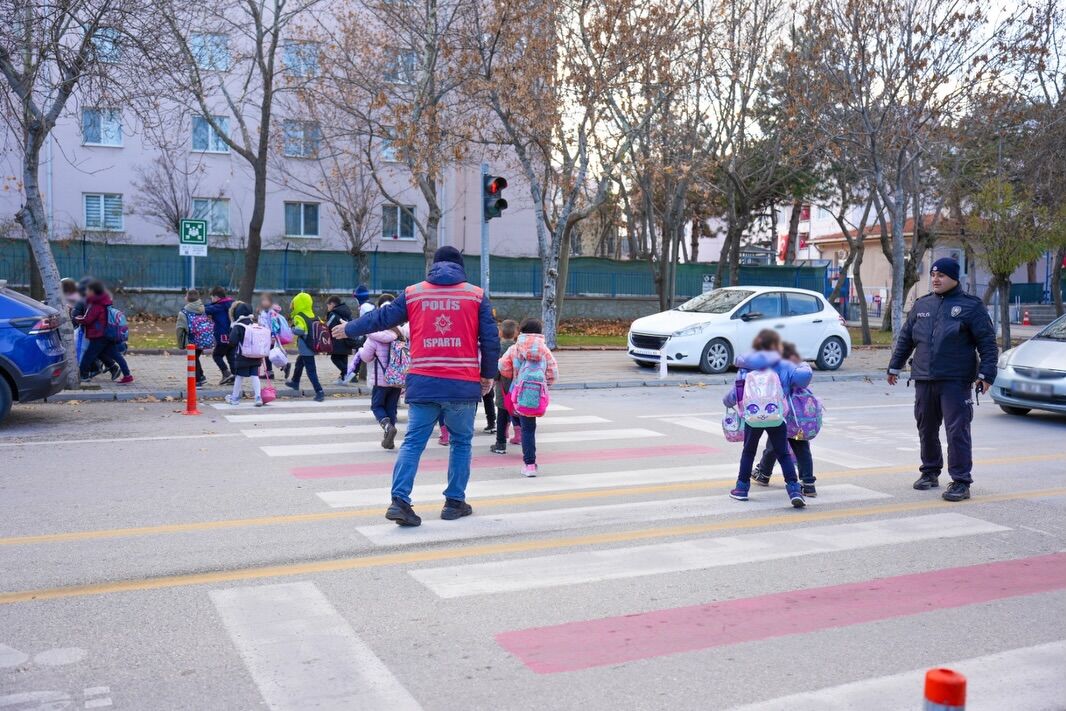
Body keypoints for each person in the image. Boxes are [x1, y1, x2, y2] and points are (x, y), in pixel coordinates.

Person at [334, 246, 500, 527]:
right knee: (460, 443)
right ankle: (454, 502)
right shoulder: (475, 295)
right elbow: (491, 340)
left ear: (434, 266)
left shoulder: (414, 293)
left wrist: (350, 328)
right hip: (461, 385)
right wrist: (487, 376)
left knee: (413, 443)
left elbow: (381, 318)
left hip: (423, 382)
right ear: (461, 267)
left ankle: (399, 502)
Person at [888, 257, 999, 502]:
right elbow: (906, 338)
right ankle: (929, 471)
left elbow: (988, 343)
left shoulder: (971, 306)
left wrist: (987, 374)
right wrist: (895, 366)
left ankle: (961, 481)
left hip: (955, 380)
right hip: (924, 377)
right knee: (926, 428)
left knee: (956, 430)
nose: (936, 279)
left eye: (941, 275)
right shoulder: (922, 305)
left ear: (954, 278)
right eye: (933, 275)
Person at [723, 329, 811, 508]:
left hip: (752, 417)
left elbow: (734, 394)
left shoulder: (745, 367)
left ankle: (741, 489)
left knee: (748, 452)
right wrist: (802, 364)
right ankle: (794, 489)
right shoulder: (786, 365)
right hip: (777, 416)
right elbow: (803, 378)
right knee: (783, 454)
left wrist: (726, 402)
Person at [750, 341, 817, 497]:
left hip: (780, 414)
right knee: (801, 448)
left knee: (774, 444)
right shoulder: (795, 369)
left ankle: (764, 473)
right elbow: (804, 375)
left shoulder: (769, 369)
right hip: (799, 417)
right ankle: (808, 483)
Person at [497, 317, 558, 476]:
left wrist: (513, 377)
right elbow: (553, 372)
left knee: (526, 428)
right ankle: (531, 464)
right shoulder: (544, 350)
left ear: (521, 331)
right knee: (530, 429)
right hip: (537, 394)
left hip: (519, 393)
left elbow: (503, 366)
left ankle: (529, 465)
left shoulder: (515, 348)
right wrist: (545, 384)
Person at [356, 297, 408, 449]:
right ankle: (389, 437)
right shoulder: (401, 334)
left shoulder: (374, 337)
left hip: (381, 379)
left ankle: (387, 427)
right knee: (391, 407)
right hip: (398, 378)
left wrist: (360, 350)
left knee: (377, 406)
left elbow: (366, 357)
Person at [74, 280, 133, 384]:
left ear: (93, 291)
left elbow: (88, 320)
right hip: (108, 333)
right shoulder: (105, 301)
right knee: (115, 355)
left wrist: (77, 318)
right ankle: (127, 375)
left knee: (89, 355)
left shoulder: (95, 304)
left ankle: (83, 375)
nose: (87, 292)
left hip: (98, 335)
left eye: (89, 290)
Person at [287, 292, 325, 402]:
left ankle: (319, 391)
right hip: (312, 345)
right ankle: (295, 382)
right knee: (299, 362)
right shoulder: (312, 315)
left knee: (311, 371)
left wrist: (291, 329)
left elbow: (300, 330)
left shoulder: (299, 316)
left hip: (306, 347)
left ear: (298, 304)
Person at [226, 301, 265, 407]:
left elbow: (232, 341)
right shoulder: (255, 325)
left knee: (239, 377)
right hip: (256, 355)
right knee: (255, 376)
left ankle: (234, 398)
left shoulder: (238, 326)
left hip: (242, 356)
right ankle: (258, 397)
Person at [490, 319, 519, 455]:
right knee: (516, 410)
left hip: (502, 386)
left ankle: (500, 443)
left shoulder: (497, 348)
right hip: (517, 386)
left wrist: (494, 379)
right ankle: (519, 435)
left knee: (502, 413)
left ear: (500, 332)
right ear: (516, 333)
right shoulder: (518, 347)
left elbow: (496, 368)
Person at [176, 288, 208, 386]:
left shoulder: (184, 312)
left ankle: (198, 380)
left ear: (187, 298)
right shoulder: (203, 309)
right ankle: (201, 376)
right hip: (203, 338)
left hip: (191, 339)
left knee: (193, 358)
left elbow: (180, 329)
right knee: (195, 357)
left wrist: (181, 343)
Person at [203, 286, 235, 385]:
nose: (211, 300)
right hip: (234, 335)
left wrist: (195, 306)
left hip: (222, 336)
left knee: (217, 355)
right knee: (230, 356)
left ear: (216, 297)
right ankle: (235, 376)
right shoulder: (232, 304)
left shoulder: (218, 307)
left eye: (212, 297)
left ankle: (226, 373)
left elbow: (205, 309)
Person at [325, 295, 354, 384]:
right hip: (347, 340)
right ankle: (343, 379)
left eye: (328, 305)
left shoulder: (333, 313)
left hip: (337, 340)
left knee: (335, 358)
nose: (327, 307)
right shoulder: (346, 311)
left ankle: (348, 373)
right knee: (343, 359)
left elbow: (328, 326)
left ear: (332, 304)